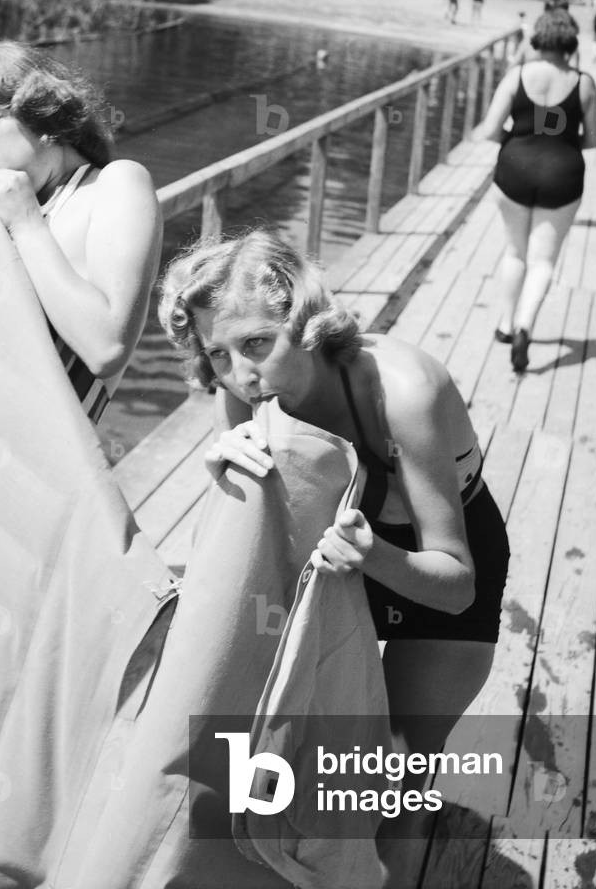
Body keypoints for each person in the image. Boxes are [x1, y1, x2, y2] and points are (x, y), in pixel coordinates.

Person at [158, 231, 511, 888]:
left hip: (427, 563)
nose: (240, 372)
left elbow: (457, 583)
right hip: (336, 546)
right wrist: (225, 476)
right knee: (259, 729)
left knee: (398, 771)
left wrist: (373, 554)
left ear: (306, 321)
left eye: (257, 343)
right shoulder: (241, 393)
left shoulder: (405, 390)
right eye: (218, 353)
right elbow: (255, 540)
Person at [0, 40, 163, 419]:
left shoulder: (116, 184)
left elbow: (105, 347)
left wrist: (25, 223)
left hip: (47, 457)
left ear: (42, 113)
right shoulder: (21, 216)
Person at [472, 9, 596, 372]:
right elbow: (592, 139)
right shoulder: (585, 83)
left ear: (538, 39)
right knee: (543, 260)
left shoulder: (518, 76)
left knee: (515, 252)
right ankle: (526, 326)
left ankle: (505, 325)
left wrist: (518, 137)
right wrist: (559, 138)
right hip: (563, 175)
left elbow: (489, 129)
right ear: (571, 44)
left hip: (515, 170)